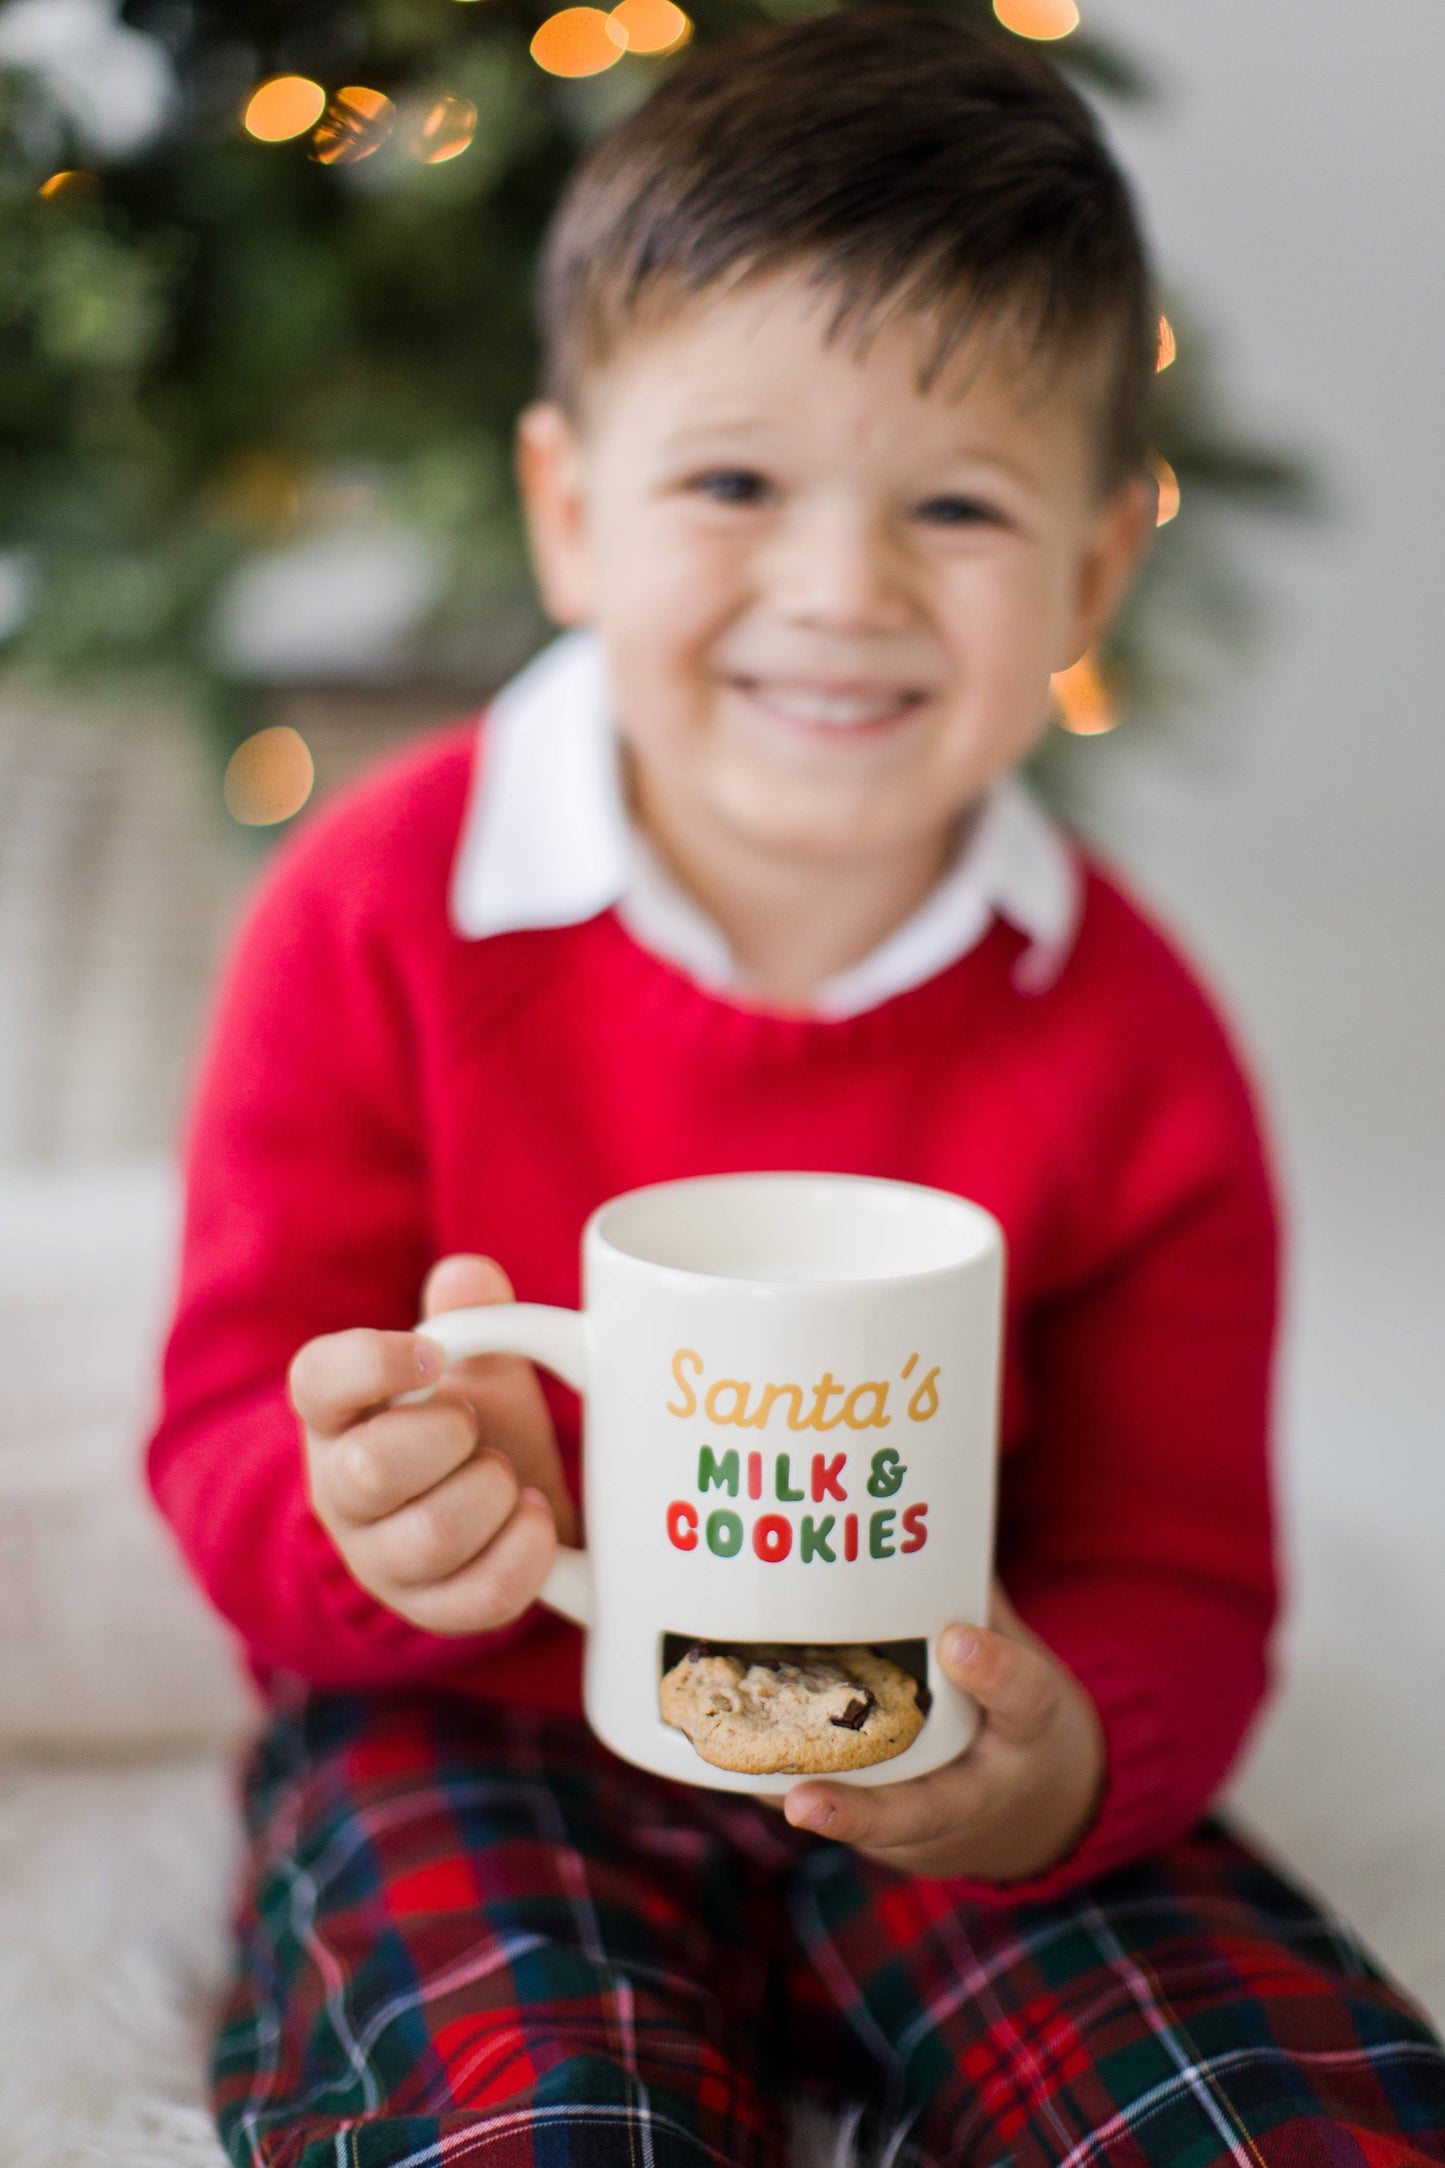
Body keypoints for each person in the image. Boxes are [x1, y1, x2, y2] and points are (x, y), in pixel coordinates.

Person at [148, 13, 1445, 2164]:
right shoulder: (372, 916)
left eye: (957, 505)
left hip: (940, 1736)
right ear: (571, 511)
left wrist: (1053, 1767)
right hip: (467, 1728)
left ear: (1093, 572)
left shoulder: (1134, 1040)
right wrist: (387, 1525)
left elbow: (1176, 1568)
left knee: (1267, 2108)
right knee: (529, 2121)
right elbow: (226, 1429)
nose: (840, 592)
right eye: (734, 485)